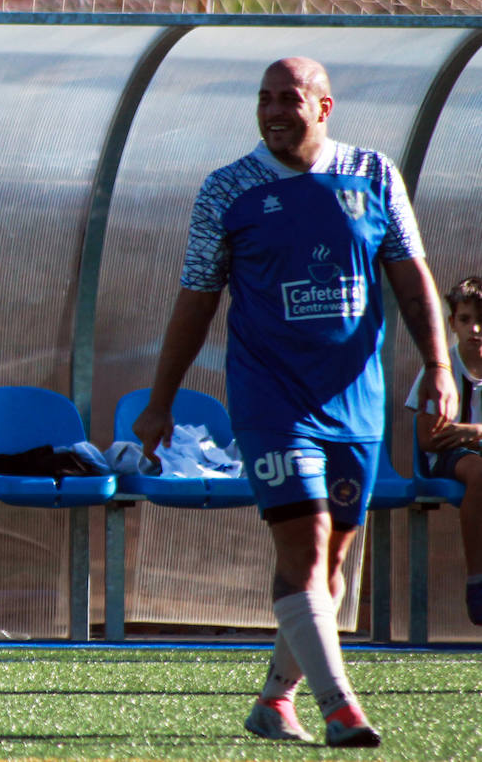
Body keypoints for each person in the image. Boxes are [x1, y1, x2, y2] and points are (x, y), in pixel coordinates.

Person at [133, 57, 456, 748]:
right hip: (270, 399)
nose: (275, 111)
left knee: (332, 558)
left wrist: (438, 367)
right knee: (305, 547)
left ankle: (274, 701)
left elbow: (410, 275)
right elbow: (195, 298)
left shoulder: (372, 175)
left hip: (355, 398)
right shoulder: (228, 189)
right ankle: (343, 709)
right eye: (264, 99)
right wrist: (160, 401)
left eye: (289, 98)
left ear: (324, 106)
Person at [405, 275, 482, 625]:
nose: (475, 329)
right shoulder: (439, 369)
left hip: (468, 446)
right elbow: (428, 439)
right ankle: (477, 580)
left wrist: (472, 432)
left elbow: (463, 433)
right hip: (449, 460)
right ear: (451, 324)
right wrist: (466, 439)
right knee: (478, 472)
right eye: (465, 320)